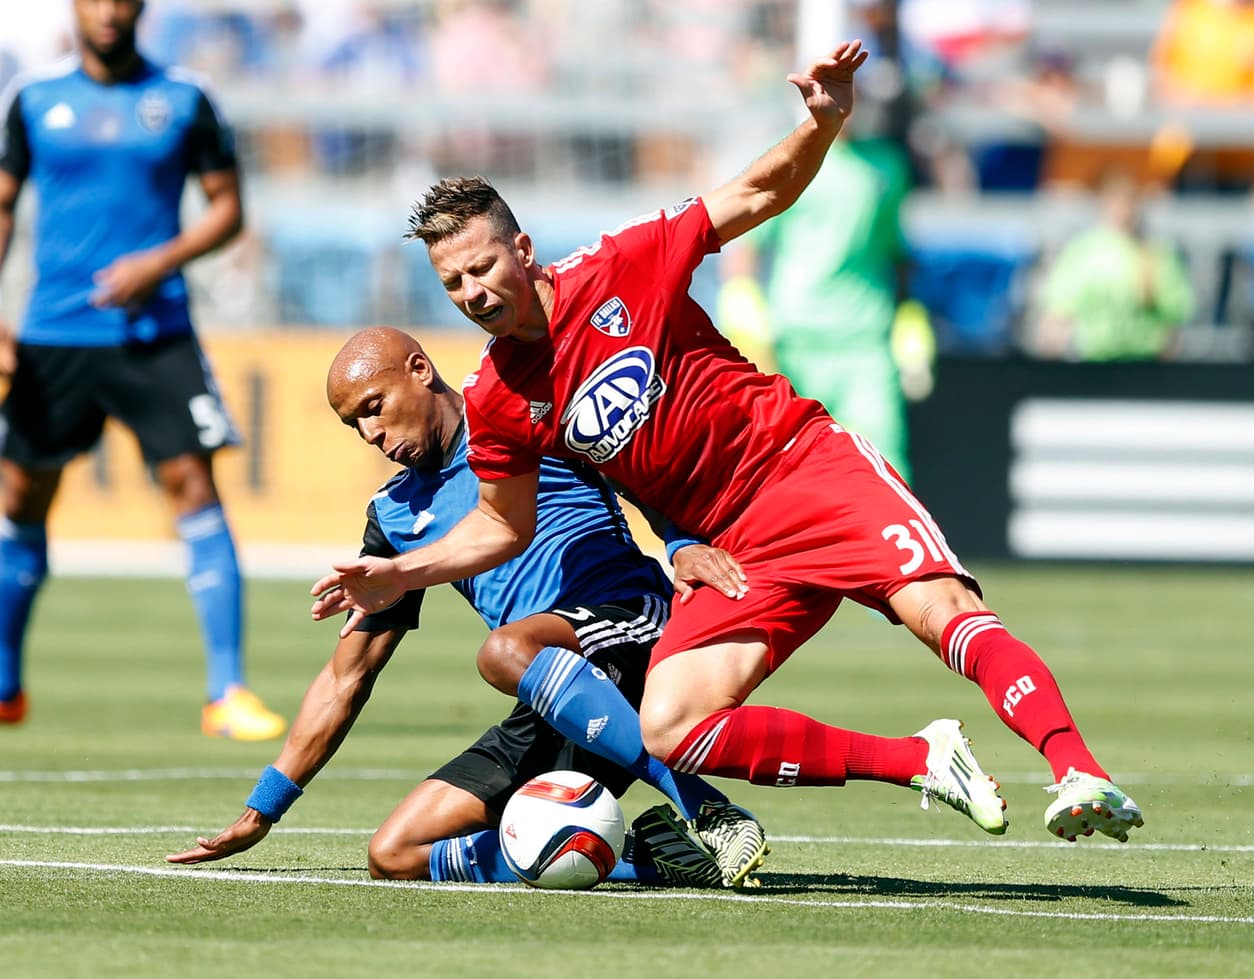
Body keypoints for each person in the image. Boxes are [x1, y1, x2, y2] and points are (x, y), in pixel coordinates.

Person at [312, 41, 1144, 845]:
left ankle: (1077, 771)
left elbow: (756, 192)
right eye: (453, 283)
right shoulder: (498, 396)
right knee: (670, 724)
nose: (473, 292)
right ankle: (921, 758)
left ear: (521, 249)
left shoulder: (624, 263)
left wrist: (821, 124)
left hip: (803, 467)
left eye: (483, 267)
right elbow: (501, 525)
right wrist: (401, 572)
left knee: (940, 611)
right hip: (734, 545)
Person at [168, 328, 766, 888]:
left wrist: (682, 544)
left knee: (505, 650)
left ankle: (706, 807)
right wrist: (263, 810)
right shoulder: (394, 516)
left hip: (633, 628)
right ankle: (650, 859)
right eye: (354, 425)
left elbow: (646, 473)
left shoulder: (523, 418)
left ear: (420, 370)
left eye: (374, 407)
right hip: (552, 693)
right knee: (395, 854)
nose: (370, 434)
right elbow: (346, 677)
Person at [0, 0, 283, 738]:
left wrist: (157, 262)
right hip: (54, 334)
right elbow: (1, 207)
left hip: (157, 333)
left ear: (141, 9)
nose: (109, 11)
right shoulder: (33, 98)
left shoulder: (184, 98)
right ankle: (4, 682)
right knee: (22, 494)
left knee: (193, 483)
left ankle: (227, 691)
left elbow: (227, 208)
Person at [717, 109, 915, 480]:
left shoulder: (889, 167)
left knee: (885, 472)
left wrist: (909, 317)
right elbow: (746, 245)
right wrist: (741, 300)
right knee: (790, 472)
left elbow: (895, 252)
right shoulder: (786, 156)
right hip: (792, 342)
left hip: (866, 344)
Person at [1030, 168, 1195, 362]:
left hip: (1145, 364)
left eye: (1127, 200)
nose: (1122, 208)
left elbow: (1173, 323)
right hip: (1094, 364)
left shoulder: (1158, 253)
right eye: (1115, 200)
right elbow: (1057, 317)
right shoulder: (1083, 251)